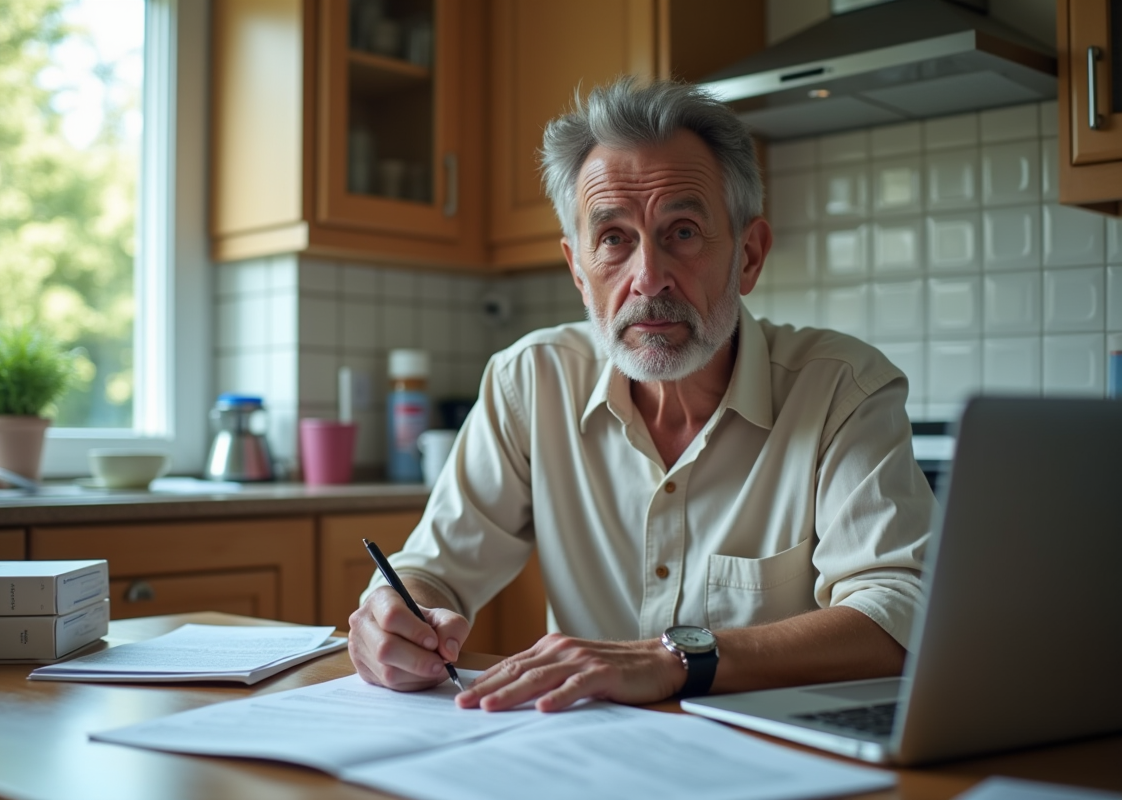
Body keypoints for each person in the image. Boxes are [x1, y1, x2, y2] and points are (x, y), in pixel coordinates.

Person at [348, 77, 934, 713]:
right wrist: (391, 614)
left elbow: (898, 615)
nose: (648, 278)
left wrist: (674, 661)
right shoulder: (529, 381)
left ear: (749, 255)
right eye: (614, 238)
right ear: (578, 270)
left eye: (682, 231)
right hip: (581, 756)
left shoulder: (843, 388)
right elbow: (434, 569)